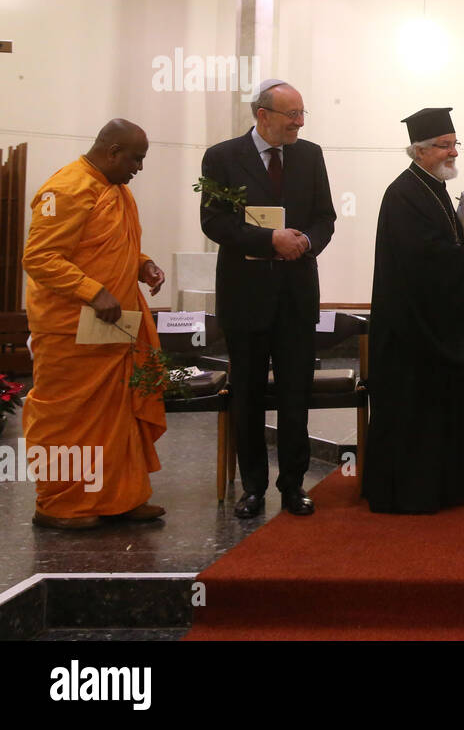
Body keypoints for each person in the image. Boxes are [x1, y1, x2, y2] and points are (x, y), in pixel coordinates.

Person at [21, 119, 167, 529]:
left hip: (113, 327)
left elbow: (112, 248)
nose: (139, 167)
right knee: (69, 416)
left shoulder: (115, 191)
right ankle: (60, 504)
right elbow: (40, 259)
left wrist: (144, 265)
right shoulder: (66, 188)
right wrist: (92, 291)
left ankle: (120, 497)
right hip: (72, 329)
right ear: (113, 151)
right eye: (136, 158)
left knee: (118, 412)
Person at [200, 79, 336, 518]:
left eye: (302, 114)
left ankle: (293, 485)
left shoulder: (310, 155)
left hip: (296, 296)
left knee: (297, 395)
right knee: (248, 396)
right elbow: (214, 222)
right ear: (262, 115)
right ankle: (253, 488)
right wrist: (268, 240)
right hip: (246, 297)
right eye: (290, 114)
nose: (299, 122)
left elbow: (324, 218)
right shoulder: (222, 157)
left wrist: (306, 243)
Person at [362, 108, 464, 513]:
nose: (453, 153)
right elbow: (426, 259)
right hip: (411, 330)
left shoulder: (431, 187)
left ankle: (451, 485)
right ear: (420, 151)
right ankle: (415, 492)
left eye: (455, 144)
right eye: (445, 146)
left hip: (434, 321)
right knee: (415, 411)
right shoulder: (404, 194)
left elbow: (443, 248)